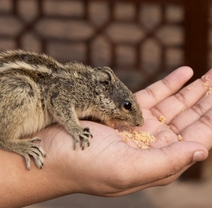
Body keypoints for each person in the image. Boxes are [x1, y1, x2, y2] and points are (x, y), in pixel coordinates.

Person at [0, 66, 212, 208]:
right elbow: (59, 100)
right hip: (14, 94)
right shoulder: (82, 90)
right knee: (22, 90)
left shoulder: (87, 94)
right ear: (103, 91)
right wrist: (74, 128)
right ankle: (6, 140)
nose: (137, 122)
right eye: (127, 107)